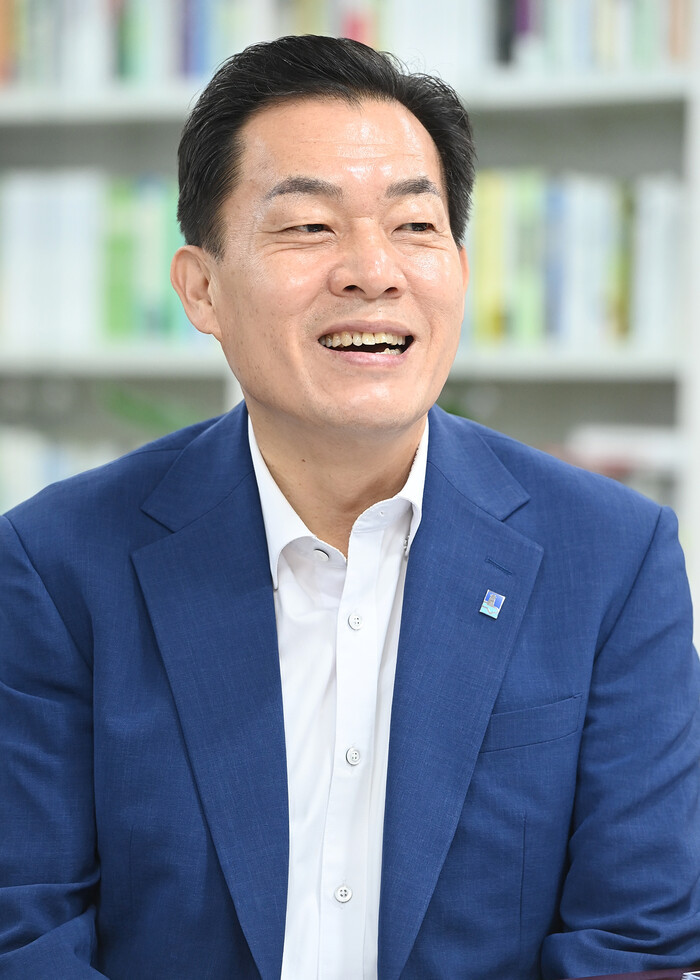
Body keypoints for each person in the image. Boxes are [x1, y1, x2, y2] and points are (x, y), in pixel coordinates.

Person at [0, 34, 699, 980]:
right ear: (201, 289)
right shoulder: (55, 563)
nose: (373, 270)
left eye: (414, 226)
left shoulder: (613, 558)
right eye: (309, 227)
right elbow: (24, 932)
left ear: (459, 268)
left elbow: (638, 943)